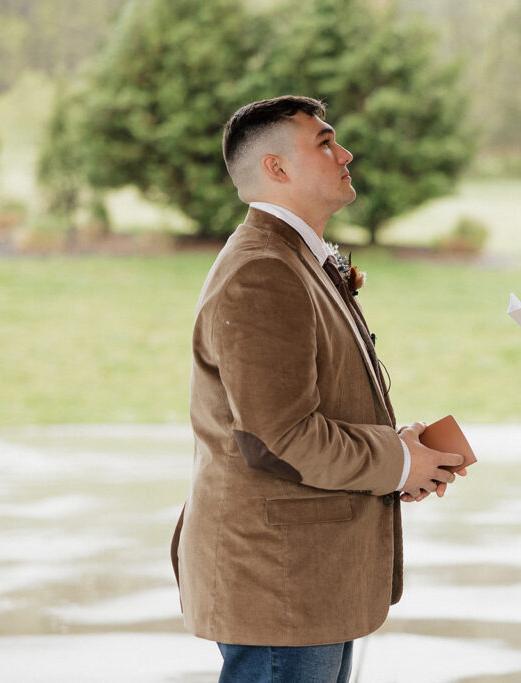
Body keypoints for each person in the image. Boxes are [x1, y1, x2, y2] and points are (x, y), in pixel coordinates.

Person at [170, 95, 464, 683]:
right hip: (279, 580)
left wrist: (398, 447)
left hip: (307, 580)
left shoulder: (294, 257)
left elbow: (302, 410)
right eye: (325, 143)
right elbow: (278, 437)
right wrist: (398, 462)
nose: (345, 153)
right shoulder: (263, 269)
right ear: (276, 169)